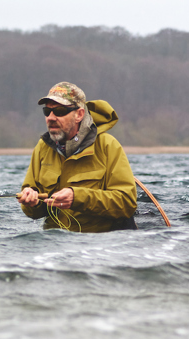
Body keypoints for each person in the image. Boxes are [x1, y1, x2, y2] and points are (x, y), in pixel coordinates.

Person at [17, 82, 137, 232]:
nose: (51, 117)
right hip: (52, 246)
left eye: (60, 111)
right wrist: (31, 202)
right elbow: (34, 212)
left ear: (79, 114)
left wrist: (77, 197)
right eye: (47, 111)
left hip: (98, 245)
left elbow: (126, 203)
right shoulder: (42, 147)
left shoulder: (108, 145)